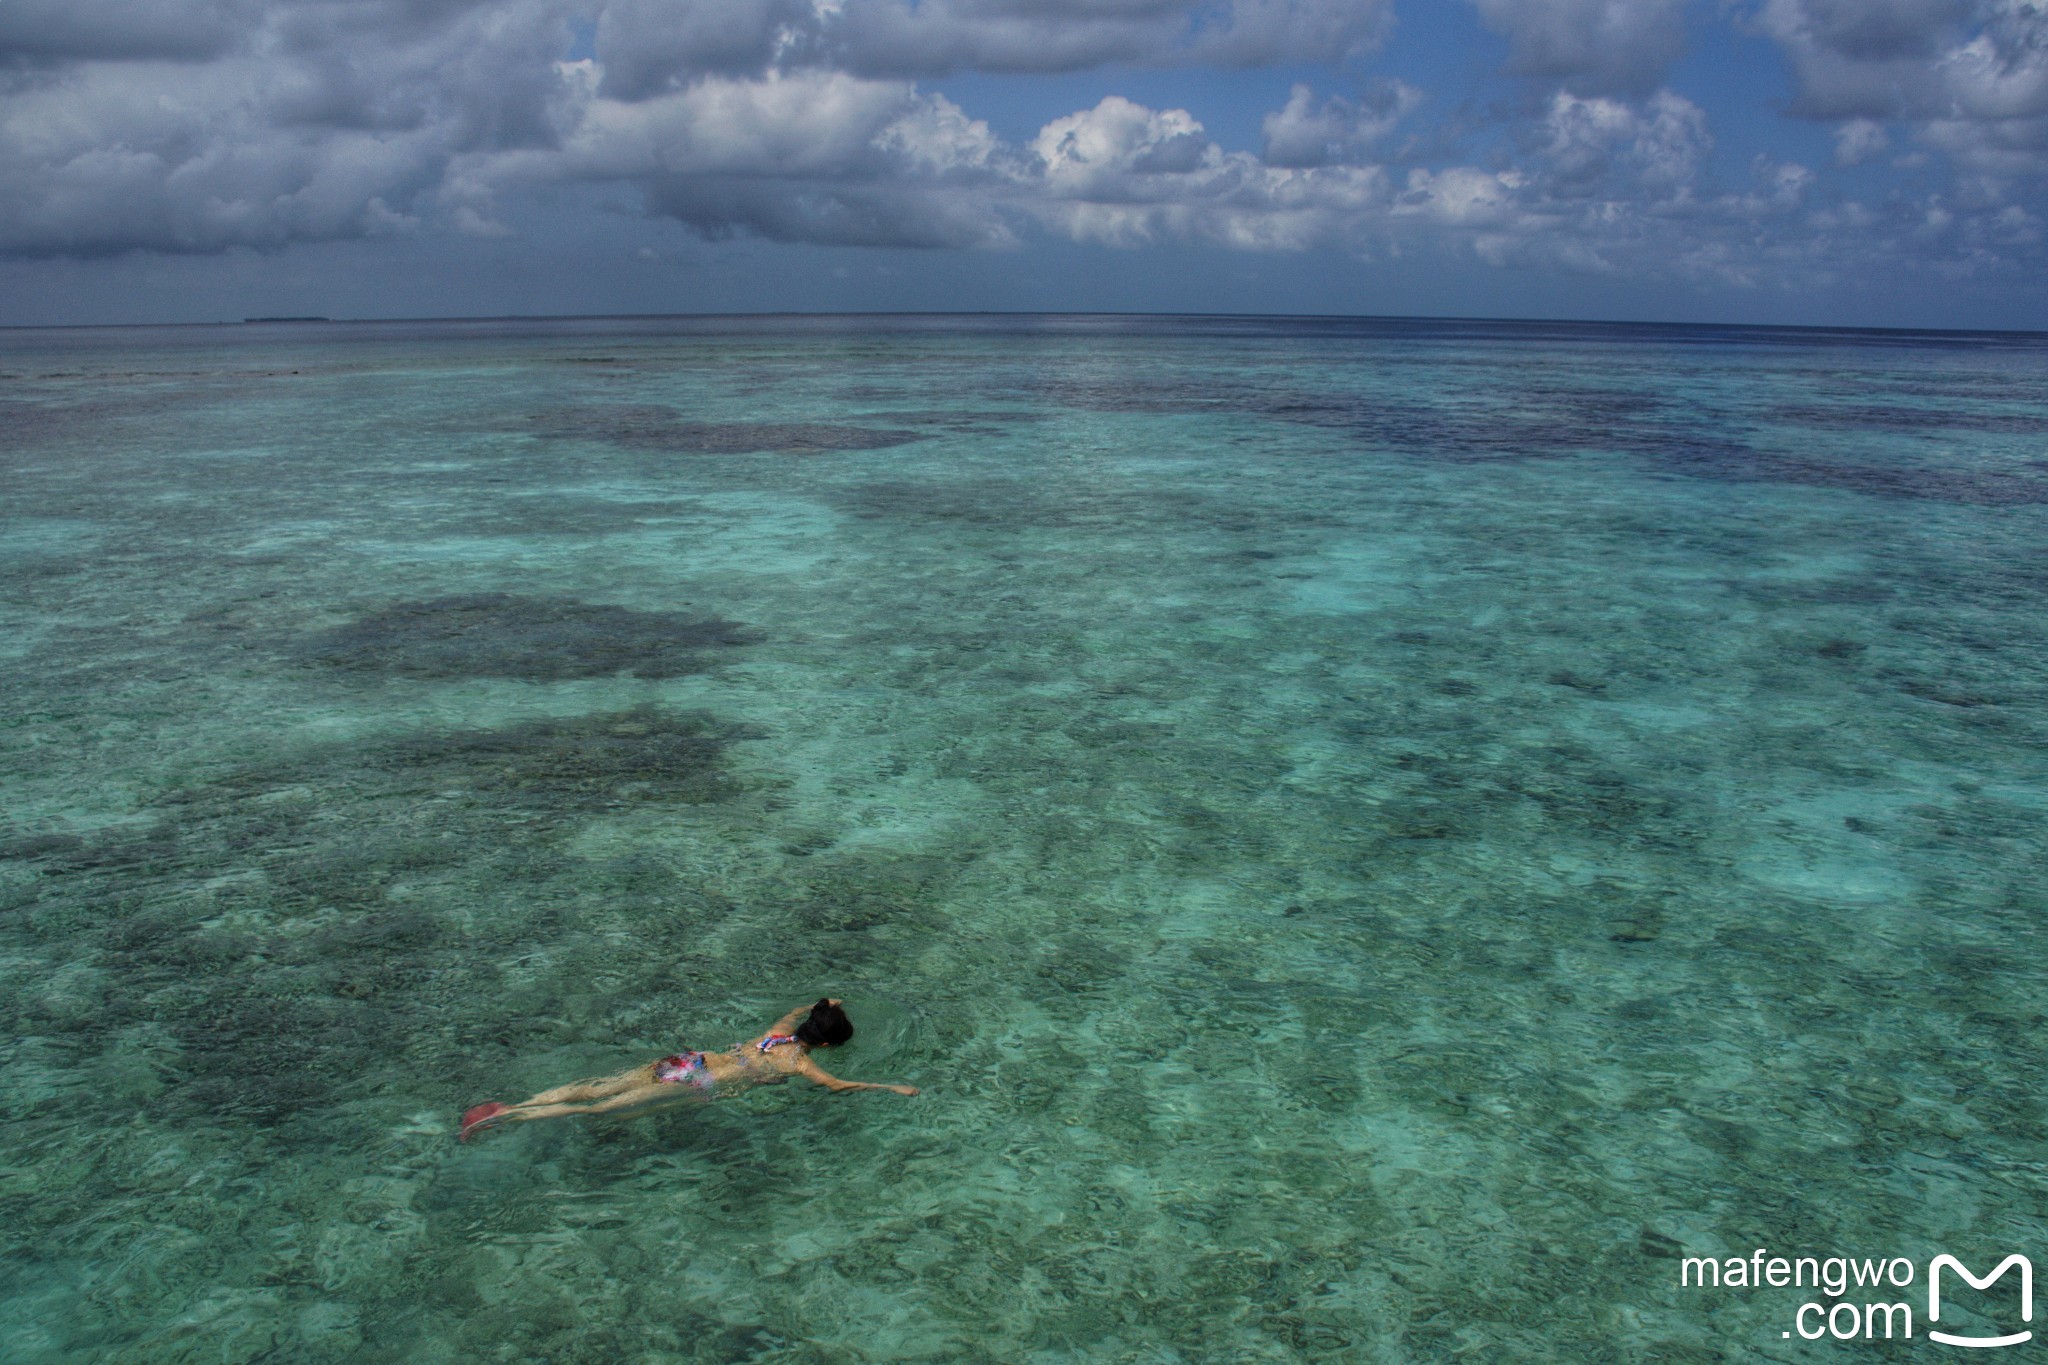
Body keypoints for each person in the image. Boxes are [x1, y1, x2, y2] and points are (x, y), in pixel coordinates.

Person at [459, 998, 917, 1139]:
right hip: (703, 1079)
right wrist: (889, 1087)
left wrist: (828, 1003)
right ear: (827, 1044)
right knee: (600, 1109)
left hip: (692, 1060)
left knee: (593, 1087)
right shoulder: (798, 1062)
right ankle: (507, 1118)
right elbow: (839, 1086)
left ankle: (514, 1105)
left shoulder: (775, 1033)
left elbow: (806, 1007)